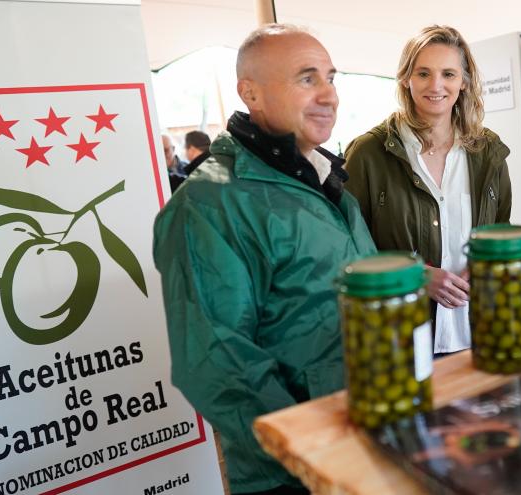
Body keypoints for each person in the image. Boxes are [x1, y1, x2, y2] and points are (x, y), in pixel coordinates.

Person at [152, 24, 376, 495]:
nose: (329, 95)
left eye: (330, 77)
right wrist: (309, 453)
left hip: (366, 438)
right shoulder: (210, 204)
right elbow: (216, 361)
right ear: (250, 93)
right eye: (307, 78)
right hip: (297, 472)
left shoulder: (323, 179)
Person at [344, 25, 512, 357]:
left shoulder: (488, 151)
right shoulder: (368, 154)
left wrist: (488, 262)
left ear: (463, 82)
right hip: (401, 337)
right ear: (406, 79)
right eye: (423, 73)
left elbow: (501, 231)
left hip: (481, 330)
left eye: (448, 74)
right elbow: (346, 248)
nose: (436, 86)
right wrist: (415, 275)